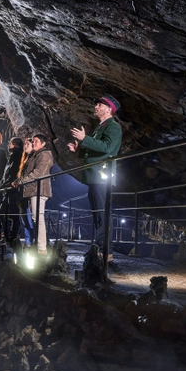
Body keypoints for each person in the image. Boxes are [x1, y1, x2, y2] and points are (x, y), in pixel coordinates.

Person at [68, 95, 122, 259]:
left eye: (99, 104)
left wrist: (85, 139)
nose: (96, 107)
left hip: (101, 175)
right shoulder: (102, 126)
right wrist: (80, 148)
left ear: (108, 109)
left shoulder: (113, 127)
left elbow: (107, 147)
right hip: (96, 175)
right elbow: (97, 147)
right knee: (98, 213)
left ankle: (106, 250)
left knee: (102, 213)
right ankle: (101, 248)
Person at [13, 134, 54, 254]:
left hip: (39, 190)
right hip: (32, 190)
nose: (33, 143)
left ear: (43, 143)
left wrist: (20, 181)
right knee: (34, 218)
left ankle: (41, 247)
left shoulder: (45, 154)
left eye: (36, 141)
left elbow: (38, 172)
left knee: (38, 218)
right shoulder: (34, 155)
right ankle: (38, 244)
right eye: (33, 141)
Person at [0, 137, 24, 244]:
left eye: (10, 143)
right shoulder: (12, 156)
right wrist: (1, 185)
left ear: (15, 145)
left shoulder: (16, 156)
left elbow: (12, 173)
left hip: (13, 189)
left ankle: (12, 236)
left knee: (13, 214)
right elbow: (6, 174)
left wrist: (2, 185)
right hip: (8, 189)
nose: (8, 145)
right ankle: (8, 235)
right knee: (2, 213)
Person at [17, 138, 35, 247]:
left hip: (29, 193)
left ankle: (32, 242)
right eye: (25, 144)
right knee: (25, 220)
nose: (25, 146)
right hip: (22, 194)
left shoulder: (33, 159)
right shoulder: (25, 159)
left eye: (28, 144)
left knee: (30, 220)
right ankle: (28, 241)